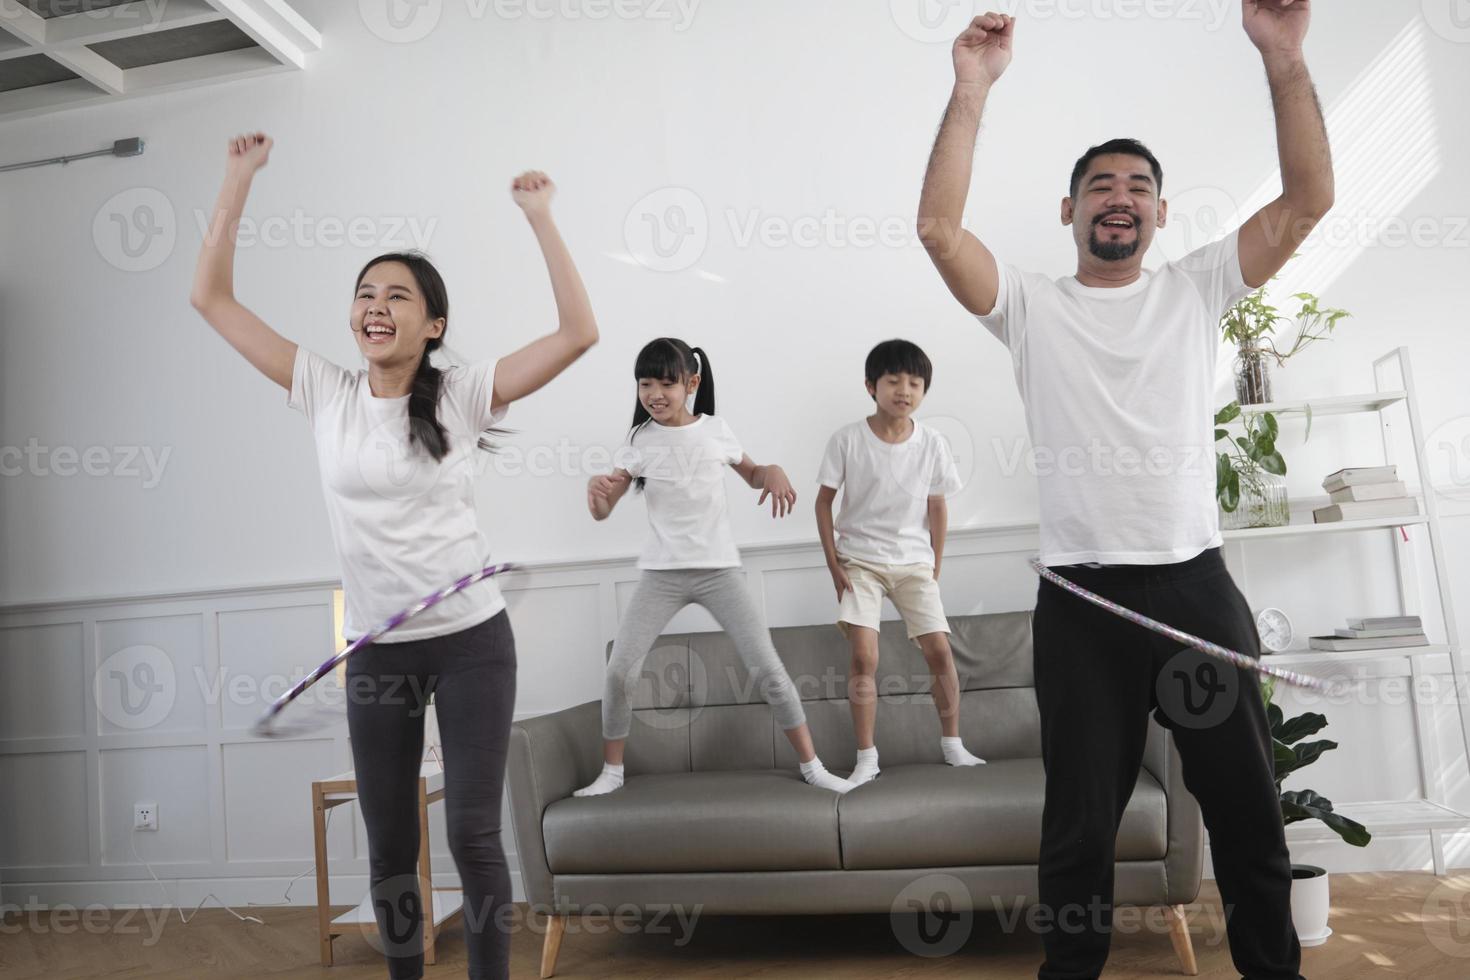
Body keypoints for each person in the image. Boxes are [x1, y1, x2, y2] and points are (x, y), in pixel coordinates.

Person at [917, 5, 1332, 978]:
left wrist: (1284, 59)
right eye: (1100, 184)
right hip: (1083, 605)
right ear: (1069, 211)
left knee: (1247, 819)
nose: (1120, 196)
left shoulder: (1198, 286)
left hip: (1194, 591)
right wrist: (971, 89)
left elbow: (1309, 198)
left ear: (1159, 212)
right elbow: (938, 228)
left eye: (1139, 185)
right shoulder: (1029, 306)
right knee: (1075, 839)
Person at [191, 134, 598, 980]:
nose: (376, 306)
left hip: (471, 643)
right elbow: (211, 299)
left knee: (472, 835)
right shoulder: (324, 392)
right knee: (389, 845)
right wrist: (237, 178)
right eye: (365, 294)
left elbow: (580, 331)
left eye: (398, 296)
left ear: (432, 323)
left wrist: (540, 218)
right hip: (379, 649)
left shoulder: (461, 393)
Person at [575, 337, 857, 797]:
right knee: (619, 671)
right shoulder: (638, 440)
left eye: (667, 383)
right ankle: (611, 773)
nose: (655, 394)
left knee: (768, 670)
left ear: (692, 382)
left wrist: (775, 470)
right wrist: (597, 496)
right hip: (662, 575)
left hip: (719, 572)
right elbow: (605, 508)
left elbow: (753, 475)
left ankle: (813, 766)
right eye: (646, 384)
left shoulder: (715, 430)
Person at [814, 338, 985, 785]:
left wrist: (935, 564)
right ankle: (866, 756)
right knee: (864, 657)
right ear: (872, 386)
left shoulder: (932, 443)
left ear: (924, 390)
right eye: (893, 380)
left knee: (940, 651)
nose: (904, 390)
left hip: (913, 563)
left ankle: (953, 745)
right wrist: (835, 567)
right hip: (860, 563)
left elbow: (938, 507)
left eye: (914, 382)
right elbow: (823, 504)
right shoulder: (848, 439)